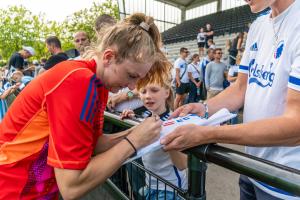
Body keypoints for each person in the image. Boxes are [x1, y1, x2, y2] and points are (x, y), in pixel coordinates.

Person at [0, 13, 164, 200]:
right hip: (13, 190)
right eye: (131, 76)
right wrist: (133, 142)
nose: (133, 87)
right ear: (109, 57)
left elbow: (93, 144)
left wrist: (138, 133)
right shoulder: (78, 81)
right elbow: (71, 186)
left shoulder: (95, 83)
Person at [161, 0, 300, 199]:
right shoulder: (259, 25)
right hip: (251, 168)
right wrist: (203, 108)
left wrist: (208, 133)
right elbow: (240, 88)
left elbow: (296, 126)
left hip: (286, 181)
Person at [120, 56, 187, 199]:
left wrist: (168, 135)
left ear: (167, 92)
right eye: (143, 92)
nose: (148, 96)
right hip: (151, 185)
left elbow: (182, 164)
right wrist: (133, 118)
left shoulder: (174, 122)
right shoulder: (146, 118)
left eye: (154, 90)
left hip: (171, 190)